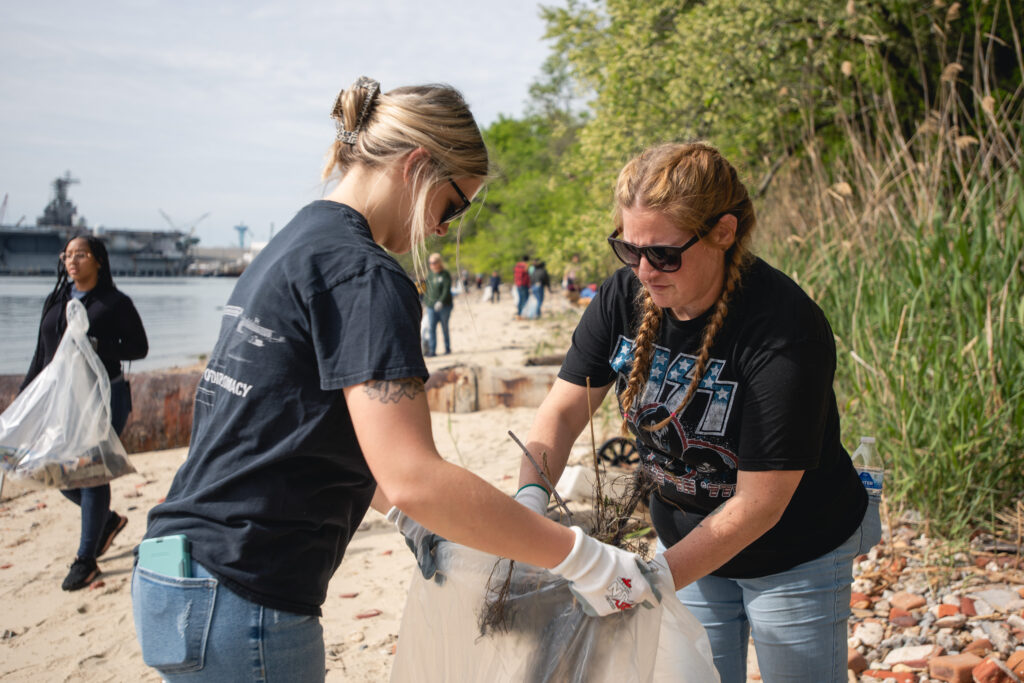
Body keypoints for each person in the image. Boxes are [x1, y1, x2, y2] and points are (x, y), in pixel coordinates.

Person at [131, 77, 659, 683]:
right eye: (454, 205)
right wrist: (580, 557)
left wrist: (409, 518)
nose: (442, 229)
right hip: (248, 590)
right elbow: (412, 476)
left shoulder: (294, 244)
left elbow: (305, 426)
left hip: (179, 573)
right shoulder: (366, 274)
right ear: (418, 166)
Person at [514, 142, 881, 683]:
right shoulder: (623, 296)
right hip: (686, 540)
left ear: (723, 232)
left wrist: (640, 584)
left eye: (662, 254)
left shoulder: (785, 329)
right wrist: (528, 502)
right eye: (628, 249)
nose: (643, 271)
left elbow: (759, 505)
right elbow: (564, 412)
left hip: (797, 548)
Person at [21, 234, 148, 591]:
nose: (72, 261)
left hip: (104, 398)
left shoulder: (114, 303)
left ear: (99, 261)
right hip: (60, 400)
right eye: (68, 255)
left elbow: (139, 347)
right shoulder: (56, 299)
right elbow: (40, 352)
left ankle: (85, 559)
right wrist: (25, 397)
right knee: (52, 470)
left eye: (81, 255)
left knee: (91, 473)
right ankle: (105, 521)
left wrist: (97, 345)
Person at [422, 252, 453, 356]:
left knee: (444, 327)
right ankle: (432, 350)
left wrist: (441, 301)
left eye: (434, 262)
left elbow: (446, 289)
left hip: (445, 306)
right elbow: (427, 290)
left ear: (439, 262)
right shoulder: (430, 275)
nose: (432, 265)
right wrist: (426, 303)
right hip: (431, 306)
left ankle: (447, 348)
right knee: (431, 328)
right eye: (430, 263)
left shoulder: (445, 274)